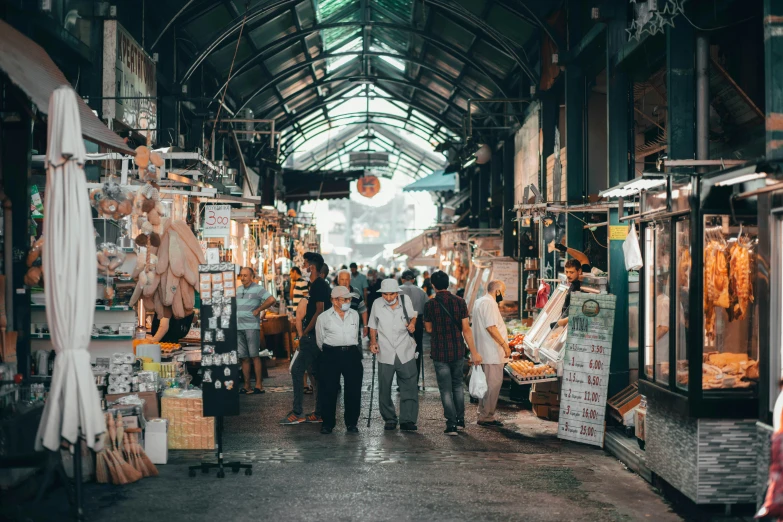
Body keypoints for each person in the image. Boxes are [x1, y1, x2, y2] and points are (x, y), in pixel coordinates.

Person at [423, 270, 482, 435]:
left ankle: (451, 424)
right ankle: (460, 420)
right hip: (457, 350)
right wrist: (474, 352)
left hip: (440, 351)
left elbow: (428, 328)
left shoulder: (430, 305)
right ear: (448, 283)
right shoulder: (460, 302)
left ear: (433, 286)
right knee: (457, 385)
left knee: (445, 389)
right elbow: (466, 330)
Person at [281, 253, 330, 425]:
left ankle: (298, 412)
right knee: (314, 374)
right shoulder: (316, 285)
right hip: (315, 336)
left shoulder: (319, 285)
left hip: (313, 336)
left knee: (296, 370)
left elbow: (319, 311)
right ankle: (318, 412)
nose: (303, 267)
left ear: (312, 267)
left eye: (305, 264)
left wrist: (305, 333)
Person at [368, 279, 419, 431]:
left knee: (409, 385)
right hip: (385, 351)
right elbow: (372, 325)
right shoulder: (377, 303)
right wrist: (373, 342)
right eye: (385, 294)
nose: (389, 298)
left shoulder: (405, 300)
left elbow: (413, 316)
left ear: (397, 293)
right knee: (384, 387)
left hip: (405, 350)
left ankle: (408, 420)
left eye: (391, 294)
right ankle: (389, 418)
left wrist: (412, 324)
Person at [315, 286, 363, 434]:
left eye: (349, 299)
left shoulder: (354, 315)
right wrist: (331, 350)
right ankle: (328, 423)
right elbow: (320, 340)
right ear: (334, 300)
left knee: (353, 390)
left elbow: (356, 335)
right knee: (328, 389)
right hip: (331, 354)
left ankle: (352, 423)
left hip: (351, 354)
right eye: (345, 299)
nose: (348, 302)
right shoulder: (323, 318)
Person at [471, 280, 510, 427]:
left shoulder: (480, 301)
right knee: (493, 385)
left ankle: (483, 413)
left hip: (485, 352)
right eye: (503, 291)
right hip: (491, 353)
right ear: (497, 291)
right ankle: (487, 417)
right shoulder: (489, 303)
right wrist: (504, 345)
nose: (504, 295)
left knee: (487, 385)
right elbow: (491, 327)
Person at [237, 267, 276, 395]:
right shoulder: (238, 290)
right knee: (243, 357)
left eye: (245, 276)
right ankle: (247, 385)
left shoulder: (258, 288)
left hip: (251, 327)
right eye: (241, 275)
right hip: (238, 327)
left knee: (254, 356)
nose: (242, 278)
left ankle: (259, 385)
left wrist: (259, 309)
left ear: (252, 276)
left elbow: (271, 300)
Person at [400, 270, 428, 381]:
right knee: (417, 350)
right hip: (418, 323)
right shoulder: (421, 291)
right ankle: (414, 380)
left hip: (400, 322)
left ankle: (403, 380)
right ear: (413, 280)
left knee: (401, 350)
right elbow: (427, 309)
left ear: (402, 279)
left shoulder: (397, 290)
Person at [552, 258, 587, 329]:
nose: (568, 275)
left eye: (571, 272)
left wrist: (562, 322)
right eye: (567, 272)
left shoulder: (580, 288)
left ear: (579, 271)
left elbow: (580, 312)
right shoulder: (573, 284)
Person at [337, 269, 368, 341]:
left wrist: (365, 325)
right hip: (338, 332)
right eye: (342, 279)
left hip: (354, 331)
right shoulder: (333, 293)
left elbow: (363, 310)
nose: (344, 282)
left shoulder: (356, 292)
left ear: (350, 280)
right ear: (338, 280)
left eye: (347, 279)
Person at [295, 294, 313, 394]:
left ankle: (311, 385)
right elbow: (298, 319)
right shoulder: (305, 301)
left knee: (310, 363)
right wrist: (301, 336)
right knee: (305, 361)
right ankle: (305, 384)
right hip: (307, 337)